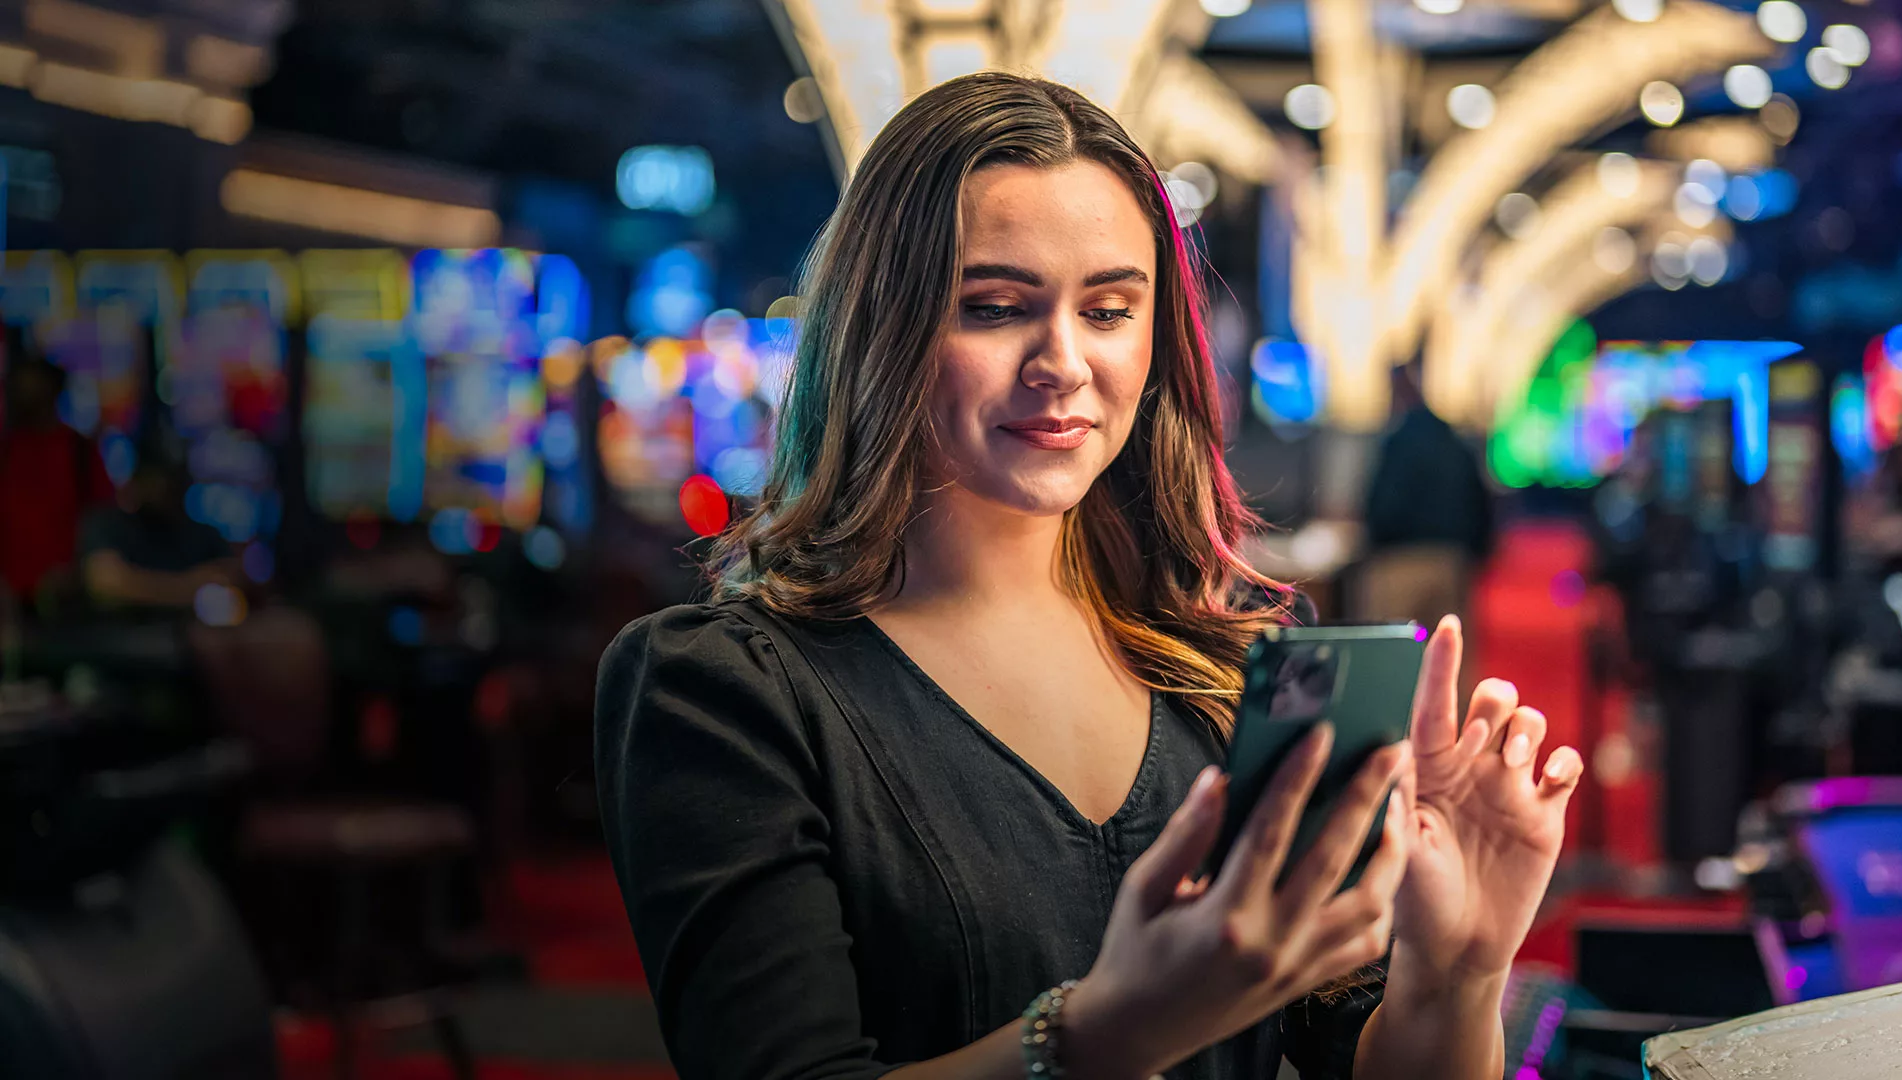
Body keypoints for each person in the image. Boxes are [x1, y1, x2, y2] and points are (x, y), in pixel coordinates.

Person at [595, 73, 1582, 1080]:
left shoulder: (1232, 657)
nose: (1062, 361)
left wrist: (1455, 973)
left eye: (1109, 309)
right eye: (993, 307)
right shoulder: (727, 688)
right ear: (879, 328)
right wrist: (1107, 1034)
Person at [1359, 360, 1494, 689]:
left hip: (1399, 564)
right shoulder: (1454, 441)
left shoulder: (1398, 442)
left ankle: (1390, 735)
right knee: (1450, 661)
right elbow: (1481, 504)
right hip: (1451, 563)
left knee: (1388, 660)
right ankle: (1453, 735)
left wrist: (1373, 543)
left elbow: (1382, 505)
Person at [0, 352, 115, 610]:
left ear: (54, 391)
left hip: (72, 598)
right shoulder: (6, 452)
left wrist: (80, 573)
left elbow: (105, 520)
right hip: (10, 600)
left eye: (33, 388)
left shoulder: (80, 452)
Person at [80, 454, 238, 611]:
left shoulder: (203, 533)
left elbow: (230, 580)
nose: (166, 487)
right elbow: (105, 584)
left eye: (174, 478)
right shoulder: (109, 524)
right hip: (124, 630)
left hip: (191, 630)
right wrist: (188, 587)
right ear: (137, 478)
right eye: (156, 478)